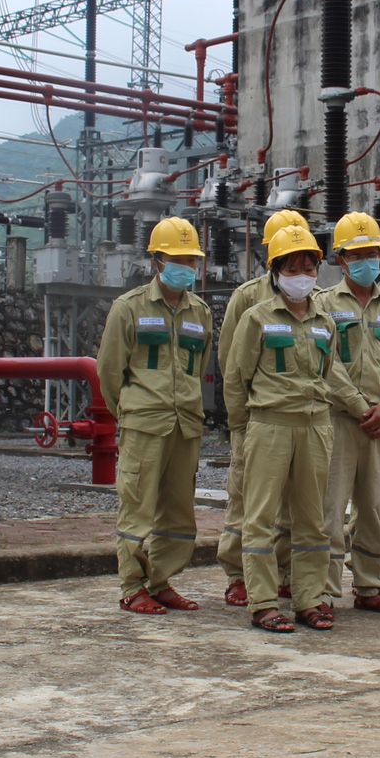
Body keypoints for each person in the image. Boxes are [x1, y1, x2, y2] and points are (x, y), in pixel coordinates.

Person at [223, 223, 362, 632]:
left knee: (311, 518)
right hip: (269, 424)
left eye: (309, 266)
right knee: (261, 516)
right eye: (293, 267)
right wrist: (244, 429)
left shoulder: (325, 321)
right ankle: (263, 602)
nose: (302, 275)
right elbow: (236, 378)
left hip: (316, 425)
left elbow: (329, 370)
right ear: (276, 270)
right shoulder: (256, 317)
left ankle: (308, 598)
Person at [99, 217, 213, 615]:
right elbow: (110, 371)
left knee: (178, 511)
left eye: (192, 259)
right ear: (157, 261)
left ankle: (161, 581)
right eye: (178, 258)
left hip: (186, 424)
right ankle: (132, 587)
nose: (187, 266)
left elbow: (198, 369)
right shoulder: (128, 308)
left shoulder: (200, 312)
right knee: (137, 507)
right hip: (145, 423)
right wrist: (132, 410)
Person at [213, 208, 309, 606]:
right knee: (246, 499)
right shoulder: (248, 297)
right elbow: (230, 363)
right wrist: (241, 420)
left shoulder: (312, 300)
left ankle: (282, 572)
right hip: (256, 419)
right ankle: (239, 575)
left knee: (291, 504)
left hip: (297, 421)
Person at [320, 212, 380, 614]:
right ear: (341, 260)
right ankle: (321, 590)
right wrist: (361, 407)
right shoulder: (324, 304)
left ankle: (371, 587)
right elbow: (327, 364)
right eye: (356, 253)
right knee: (329, 509)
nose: (367, 260)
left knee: (376, 507)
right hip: (340, 421)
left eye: (373, 252)